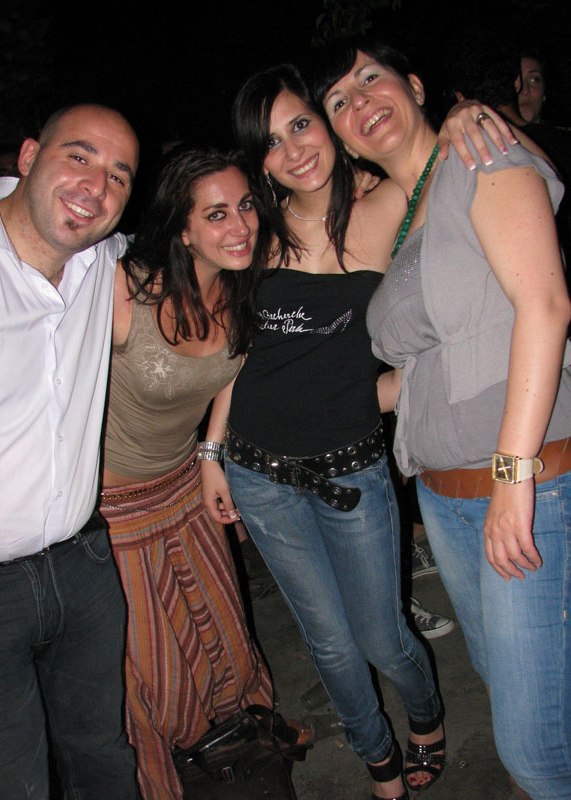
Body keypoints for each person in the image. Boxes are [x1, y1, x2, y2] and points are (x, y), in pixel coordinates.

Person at [201, 63, 512, 800]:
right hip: (258, 472)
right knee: (330, 643)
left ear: (327, 122)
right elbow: (240, 354)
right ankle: (379, 762)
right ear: (259, 162)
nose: (293, 150)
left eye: (300, 124)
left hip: (352, 471)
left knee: (383, 637)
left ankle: (427, 718)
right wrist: (212, 451)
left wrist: (464, 112)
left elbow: (459, 161)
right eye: (270, 143)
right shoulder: (256, 231)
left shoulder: (393, 204)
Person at [318, 37, 571, 800]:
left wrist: (514, 478)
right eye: (338, 101)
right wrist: (301, 413)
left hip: (529, 483)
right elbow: (421, 375)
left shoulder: (479, 154)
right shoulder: (404, 225)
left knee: (534, 749)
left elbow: (545, 306)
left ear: (417, 86)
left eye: (371, 78)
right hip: (445, 496)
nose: (360, 102)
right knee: (520, 696)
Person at [0, 104, 140, 799]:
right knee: (12, 785)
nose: (96, 186)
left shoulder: (104, 259)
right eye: (79, 156)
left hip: (84, 567)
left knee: (104, 759)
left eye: (119, 175)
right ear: (28, 156)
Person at [99, 147, 275, 800]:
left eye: (246, 207)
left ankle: (242, 762)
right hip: (114, 511)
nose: (241, 226)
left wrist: (211, 454)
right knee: (154, 672)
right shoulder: (125, 290)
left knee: (224, 636)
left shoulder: (241, 284)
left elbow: (231, 370)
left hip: (185, 487)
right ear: (182, 228)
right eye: (217, 214)